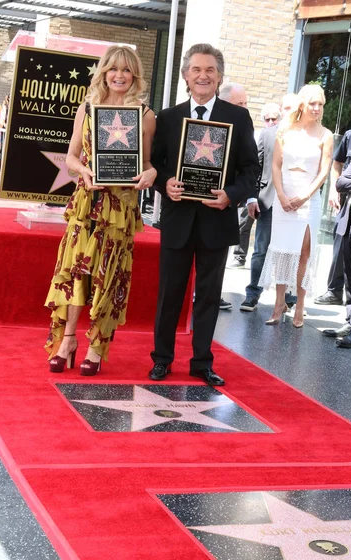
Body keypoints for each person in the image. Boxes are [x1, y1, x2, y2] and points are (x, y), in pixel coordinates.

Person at [149, 43, 259, 386]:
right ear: (185, 76)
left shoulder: (238, 117)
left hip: (217, 220)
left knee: (209, 296)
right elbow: (155, 165)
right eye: (196, 69)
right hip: (177, 220)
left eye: (210, 70)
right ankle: (162, 359)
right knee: (170, 294)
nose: (203, 75)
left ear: (219, 76)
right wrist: (166, 184)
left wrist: (232, 196)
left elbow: (250, 168)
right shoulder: (168, 117)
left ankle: (202, 362)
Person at [45, 45, 157, 376]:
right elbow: (71, 157)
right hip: (86, 203)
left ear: (134, 75)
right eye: (113, 69)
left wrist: (150, 174)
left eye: (126, 70)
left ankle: (96, 345)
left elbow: (147, 162)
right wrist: (84, 171)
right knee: (77, 271)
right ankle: (67, 341)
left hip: (120, 208)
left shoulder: (146, 115)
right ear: (104, 72)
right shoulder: (88, 108)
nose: (119, 75)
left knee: (110, 275)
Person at [258, 84, 333, 327]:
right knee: (281, 251)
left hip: (308, 199)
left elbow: (323, 172)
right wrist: (280, 194)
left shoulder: (326, 135)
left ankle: (300, 305)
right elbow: (276, 165)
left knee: (304, 253)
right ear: (302, 103)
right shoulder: (285, 130)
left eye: (321, 104)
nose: (317, 108)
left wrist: (305, 196)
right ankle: (278, 304)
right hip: (284, 196)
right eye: (313, 103)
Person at [240, 94, 299, 312]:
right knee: (261, 250)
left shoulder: (306, 136)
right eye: (287, 107)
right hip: (269, 201)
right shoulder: (267, 134)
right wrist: (251, 197)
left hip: (295, 205)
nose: (291, 110)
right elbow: (255, 167)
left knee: (290, 252)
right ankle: (252, 294)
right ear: (282, 110)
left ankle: (289, 298)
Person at [315, 97, 351, 306]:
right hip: (348, 202)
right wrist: (333, 190)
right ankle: (334, 290)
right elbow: (337, 164)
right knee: (341, 246)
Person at [228, 102, 282, 272]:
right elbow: (254, 165)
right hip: (255, 188)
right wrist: (250, 192)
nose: (272, 122)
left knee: (265, 234)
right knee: (244, 223)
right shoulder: (259, 135)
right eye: (268, 119)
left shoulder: (279, 136)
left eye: (275, 118)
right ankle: (239, 255)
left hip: (271, 192)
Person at [218, 82, 249, 310]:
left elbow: (249, 166)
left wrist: (232, 194)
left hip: (222, 209)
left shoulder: (243, 124)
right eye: (241, 103)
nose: (245, 107)